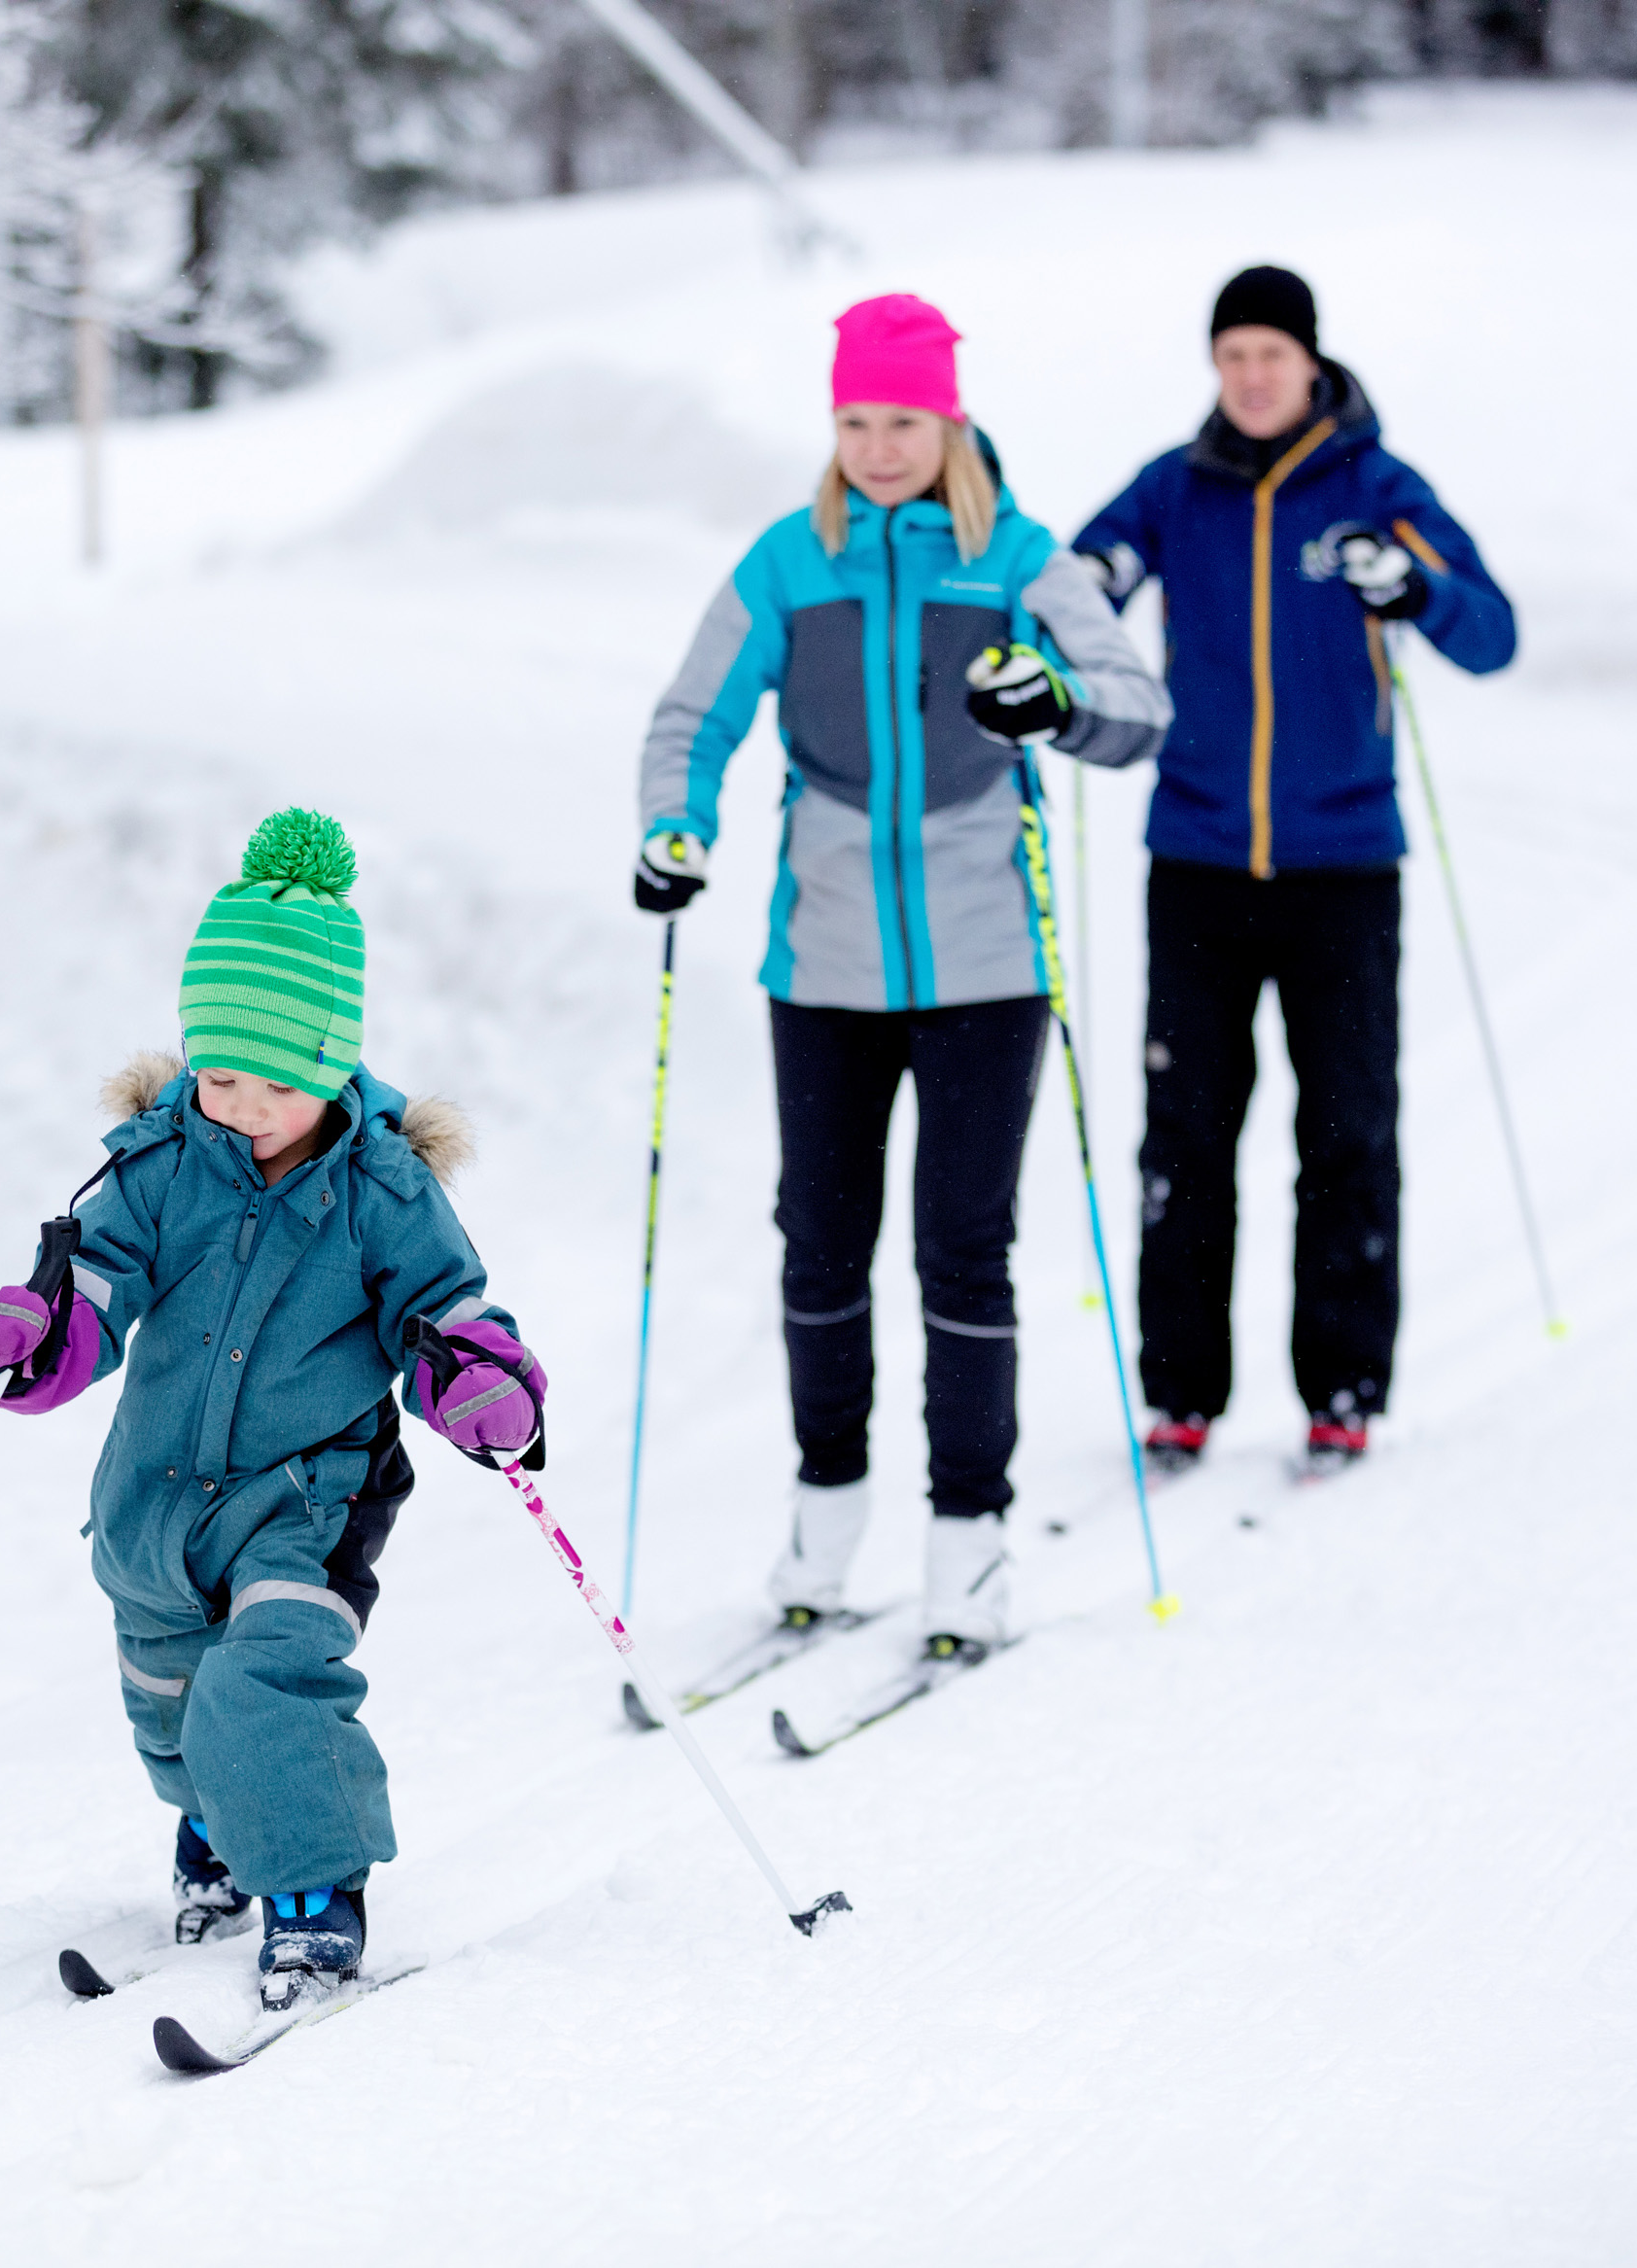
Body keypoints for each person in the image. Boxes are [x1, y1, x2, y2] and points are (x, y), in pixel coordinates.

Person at [631, 294, 1169, 1660]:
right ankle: (827, 1512)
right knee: (818, 1241)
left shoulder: (1019, 561)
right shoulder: (787, 562)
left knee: (961, 1250)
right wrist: (672, 825)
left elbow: (1134, 707)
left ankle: (969, 1544)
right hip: (823, 964)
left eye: (905, 421)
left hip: (990, 960)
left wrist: (1050, 699)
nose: (879, 446)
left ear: (950, 423)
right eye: (857, 420)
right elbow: (697, 711)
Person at [0, 808, 544, 2010]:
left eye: (277, 1080)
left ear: (332, 1064)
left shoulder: (384, 1187)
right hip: (155, 1496)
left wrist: (480, 1382)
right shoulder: (157, 1160)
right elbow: (96, 1283)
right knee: (171, 1704)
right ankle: (218, 1829)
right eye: (218, 1072)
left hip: (305, 1494)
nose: (243, 1100)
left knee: (261, 1682)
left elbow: (446, 1307)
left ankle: (315, 1891)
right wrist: (39, 1331)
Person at [1071, 264, 1516, 1477]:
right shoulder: (1177, 485)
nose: (1252, 376)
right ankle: (1178, 1396)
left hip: (1341, 870)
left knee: (1345, 1133)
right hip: (1199, 860)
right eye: (1232, 356)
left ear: (1310, 362)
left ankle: (1342, 1386)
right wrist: (1095, 587)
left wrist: (1410, 585)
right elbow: (1074, 579)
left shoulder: (1375, 487)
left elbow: (1490, 631)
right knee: (1186, 1137)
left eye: (1271, 354)